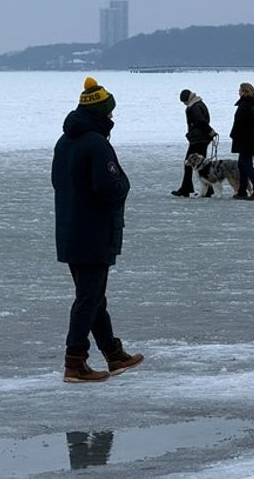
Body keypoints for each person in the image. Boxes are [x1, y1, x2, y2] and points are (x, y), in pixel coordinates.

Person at [52, 77, 144, 382]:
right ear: (102, 113)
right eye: (110, 112)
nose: (112, 118)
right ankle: (74, 361)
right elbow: (109, 188)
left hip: (69, 230)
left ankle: (113, 352)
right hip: (93, 232)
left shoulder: (64, 142)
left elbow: (58, 183)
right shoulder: (96, 143)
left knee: (92, 296)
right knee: (89, 298)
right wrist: (124, 184)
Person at [172, 89, 215, 197]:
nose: (184, 104)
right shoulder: (199, 103)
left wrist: (210, 131)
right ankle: (209, 189)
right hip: (202, 138)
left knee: (188, 162)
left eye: (184, 102)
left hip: (198, 139)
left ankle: (186, 188)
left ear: (188, 99)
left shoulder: (194, 107)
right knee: (203, 164)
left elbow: (200, 121)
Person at [230, 82, 254, 200]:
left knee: (246, 165)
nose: (238, 92)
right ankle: (242, 191)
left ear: (244, 92)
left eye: (240, 90)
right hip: (251, 138)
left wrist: (233, 134)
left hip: (245, 139)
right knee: (242, 165)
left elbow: (240, 123)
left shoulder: (245, 105)